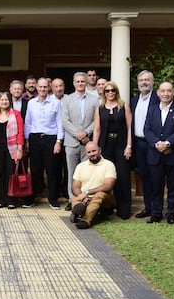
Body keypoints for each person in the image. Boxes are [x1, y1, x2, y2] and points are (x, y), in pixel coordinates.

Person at [144, 81, 174, 224]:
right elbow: (147, 129)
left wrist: (168, 143)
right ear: (158, 93)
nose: (165, 94)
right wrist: (157, 143)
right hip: (155, 154)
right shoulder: (152, 109)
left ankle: (171, 214)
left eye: (169, 91)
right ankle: (156, 213)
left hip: (173, 155)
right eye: (163, 91)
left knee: (173, 187)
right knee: (156, 187)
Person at [92, 81, 133, 219]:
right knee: (105, 178)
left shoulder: (124, 106)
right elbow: (97, 129)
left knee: (122, 176)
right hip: (105, 145)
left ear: (117, 92)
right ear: (104, 93)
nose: (110, 93)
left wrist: (129, 146)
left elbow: (129, 128)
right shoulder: (99, 109)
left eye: (113, 90)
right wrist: (94, 147)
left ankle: (124, 209)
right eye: (107, 91)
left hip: (121, 145)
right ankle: (106, 208)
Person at [24, 77, 65, 209]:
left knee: (52, 170)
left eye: (45, 87)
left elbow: (60, 123)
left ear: (49, 88)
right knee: (35, 170)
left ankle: (53, 198)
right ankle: (32, 197)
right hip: (35, 138)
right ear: (36, 87)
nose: (42, 89)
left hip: (51, 139)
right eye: (40, 87)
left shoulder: (55, 103)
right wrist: (26, 140)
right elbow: (28, 123)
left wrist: (58, 142)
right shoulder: (31, 103)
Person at [62, 72, 100, 210]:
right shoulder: (67, 99)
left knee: (86, 173)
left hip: (87, 143)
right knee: (72, 172)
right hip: (71, 142)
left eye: (82, 82)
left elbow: (96, 119)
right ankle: (72, 200)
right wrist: (77, 134)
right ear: (73, 83)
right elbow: (65, 120)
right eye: (77, 82)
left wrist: (86, 133)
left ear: (86, 83)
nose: (80, 84)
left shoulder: (94, 99)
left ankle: (84, 199)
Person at [130, 70, 160, 218]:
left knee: (155, 176)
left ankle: (156, 209)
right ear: (138, 83)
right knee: (145, 176)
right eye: (141, 80)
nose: (144, 82)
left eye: (147, 80)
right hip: (139, 143)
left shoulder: (158, 98)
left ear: (152, 82)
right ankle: (148, 207)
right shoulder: (134, 100)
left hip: (153, 143)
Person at [0, 92, 25, 209]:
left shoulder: (16, 114)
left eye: (6, 100)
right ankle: (0, 199)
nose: (4, 102)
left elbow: (20, 133)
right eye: (2, 100)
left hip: (12, 149)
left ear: (10, 101)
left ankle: (11, 200)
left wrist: (20, 149)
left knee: (10, 174)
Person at [70, 142, 116, 230]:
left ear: (100, 150)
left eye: (94, 151)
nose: (92, 154)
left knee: (99, 195)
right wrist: (82, 196)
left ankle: (86, 220)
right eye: (89, 152)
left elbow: (108, 186)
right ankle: (79, 207)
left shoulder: (108, 165)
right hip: (85, 198)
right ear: (86, 154)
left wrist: (87, 192)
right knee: (75, 197)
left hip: (104, 198)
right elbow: (75, 186)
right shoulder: (80, 166)